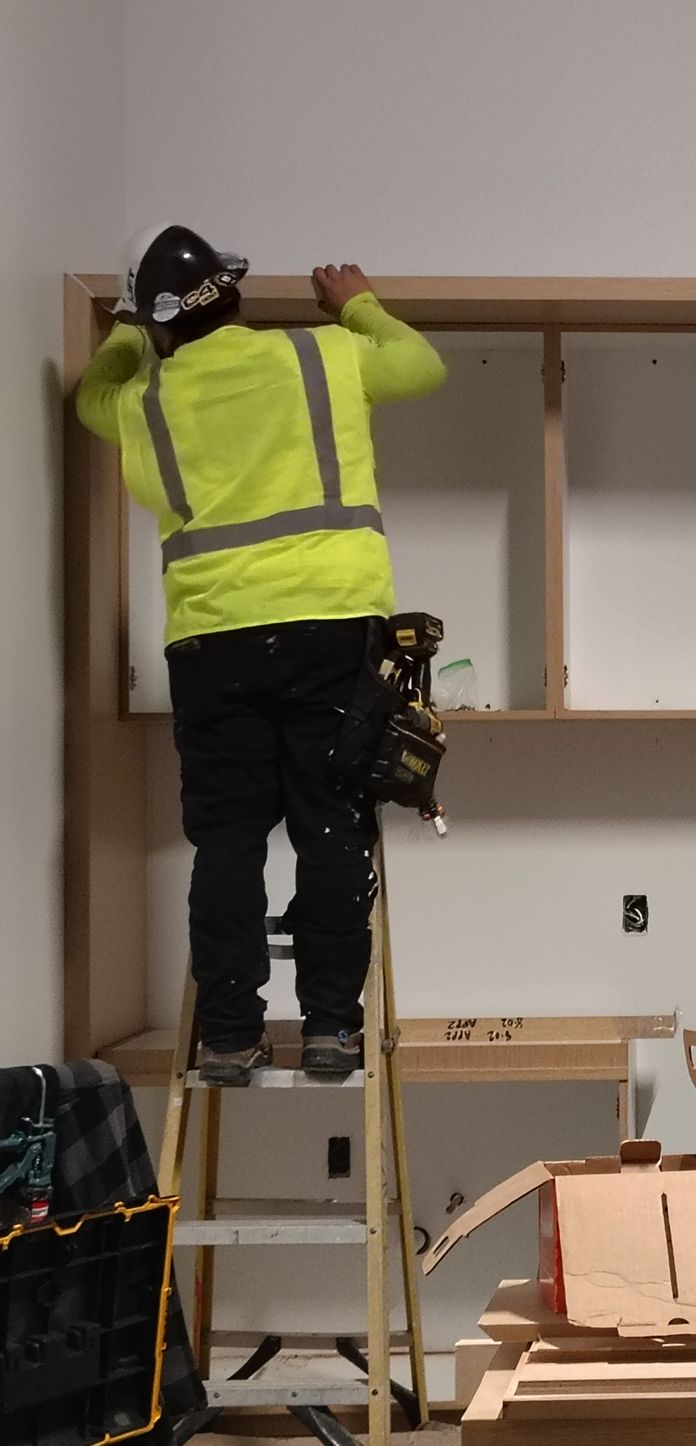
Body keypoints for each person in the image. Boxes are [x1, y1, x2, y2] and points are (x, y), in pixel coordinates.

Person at [77, 226, 447, 1086]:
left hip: (211, 646)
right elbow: (422, 365)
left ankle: (231, 1037)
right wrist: (353, 300)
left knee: (229, 842)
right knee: (328, 827)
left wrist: (130, 331)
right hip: (329, 631)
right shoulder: (323, 356)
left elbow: (92, 398)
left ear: (163, 327)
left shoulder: (148, 401)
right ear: (235, 294)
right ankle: (328, 1030)